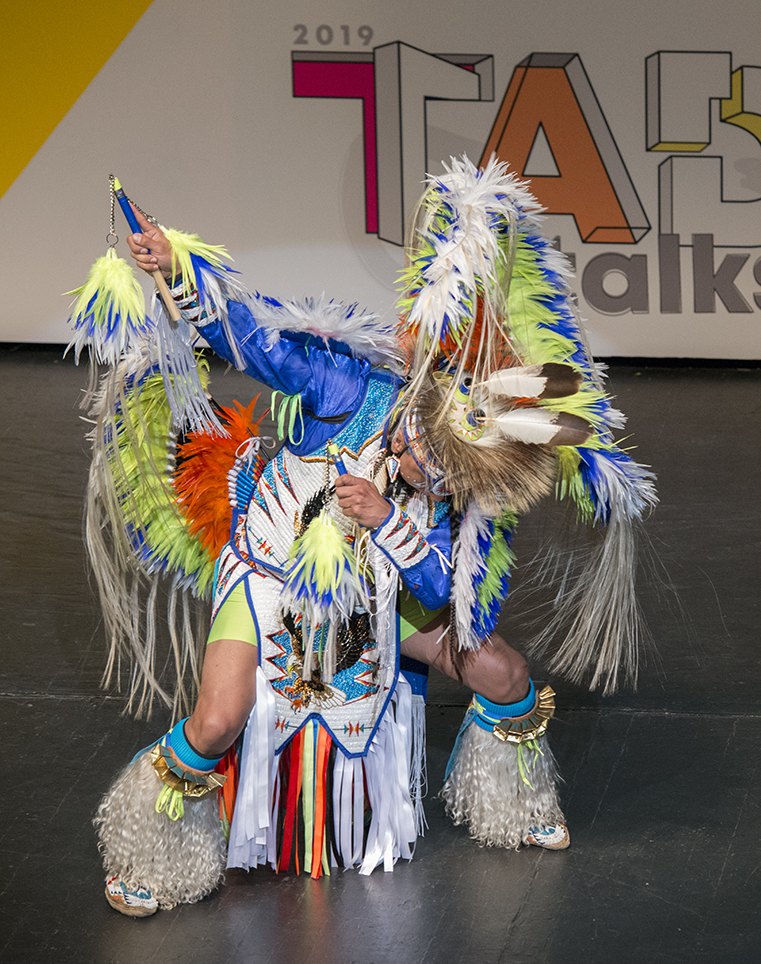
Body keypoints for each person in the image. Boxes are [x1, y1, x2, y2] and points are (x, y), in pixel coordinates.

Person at [72, 159, 654, 917]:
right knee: (217, 718)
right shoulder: (351, 390)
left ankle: (511, 803)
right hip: (271, 577)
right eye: (426, 460)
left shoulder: (461, 479)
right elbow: (258, 344)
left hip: (375, 593)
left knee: (504, 675)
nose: (430, 478)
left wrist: (391, 521)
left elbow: (442, 587)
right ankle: (147, 851)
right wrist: (180, 270)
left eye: (447, 481)